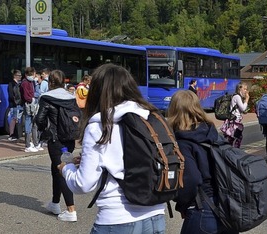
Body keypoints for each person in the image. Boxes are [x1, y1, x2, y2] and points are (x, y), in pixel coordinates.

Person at [60, 64, 166, 230]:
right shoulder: (150, 118)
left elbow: (83, 184)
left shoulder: (100, 126)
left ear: (97, 92)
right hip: (156, 215)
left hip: (117, 218)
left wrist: (66, 169)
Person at [165, 90, 237, 234]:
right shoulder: (212, 134)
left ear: (173, 111)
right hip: (227, 208)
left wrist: (183, 205)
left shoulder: (183, 143)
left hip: (202, 208)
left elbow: (191, 179)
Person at [36, 69, 79, 222]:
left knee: (62, 169)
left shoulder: (47, 97)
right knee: (57, 169)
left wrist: (43, 130)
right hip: (69, 139)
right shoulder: (71, 97)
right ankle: (55, 203)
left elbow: (39, 119)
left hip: (55, 139)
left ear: (51, 82)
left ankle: (71, 210)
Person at [221, 82, 250, 148]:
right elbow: (243, 108)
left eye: (246, 89)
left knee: (236, 137)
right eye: (244, 89)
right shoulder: (237, 97)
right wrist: (247, 99)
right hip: (234, 121)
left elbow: (243, 109)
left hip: (235, 121)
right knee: (234, 138)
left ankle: (233, 151)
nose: (246, 91)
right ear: (240, 89)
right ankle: (232, 152)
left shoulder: (238, 97)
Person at [21, 67, 38, 152]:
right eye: (31, 75)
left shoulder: (31, 82)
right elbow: (26, 95)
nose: (32, 76)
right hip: (28, 104)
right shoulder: (25, 83)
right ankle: (27, 145)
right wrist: (32, 99)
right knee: (28, 124)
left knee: (33, 124)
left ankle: (33, 143)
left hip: (32, 104)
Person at [7, 69, 23, 142]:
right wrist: (15, 101)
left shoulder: (19, 84)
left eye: (20, 75)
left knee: (18, 119)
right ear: (15, 76)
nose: (20, 77)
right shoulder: (11, 84)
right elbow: (11, 94)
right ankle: (11, 134)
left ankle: (17, 134)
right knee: (13, 119)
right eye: (18, 75)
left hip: (19, 104)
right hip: (13, 104)